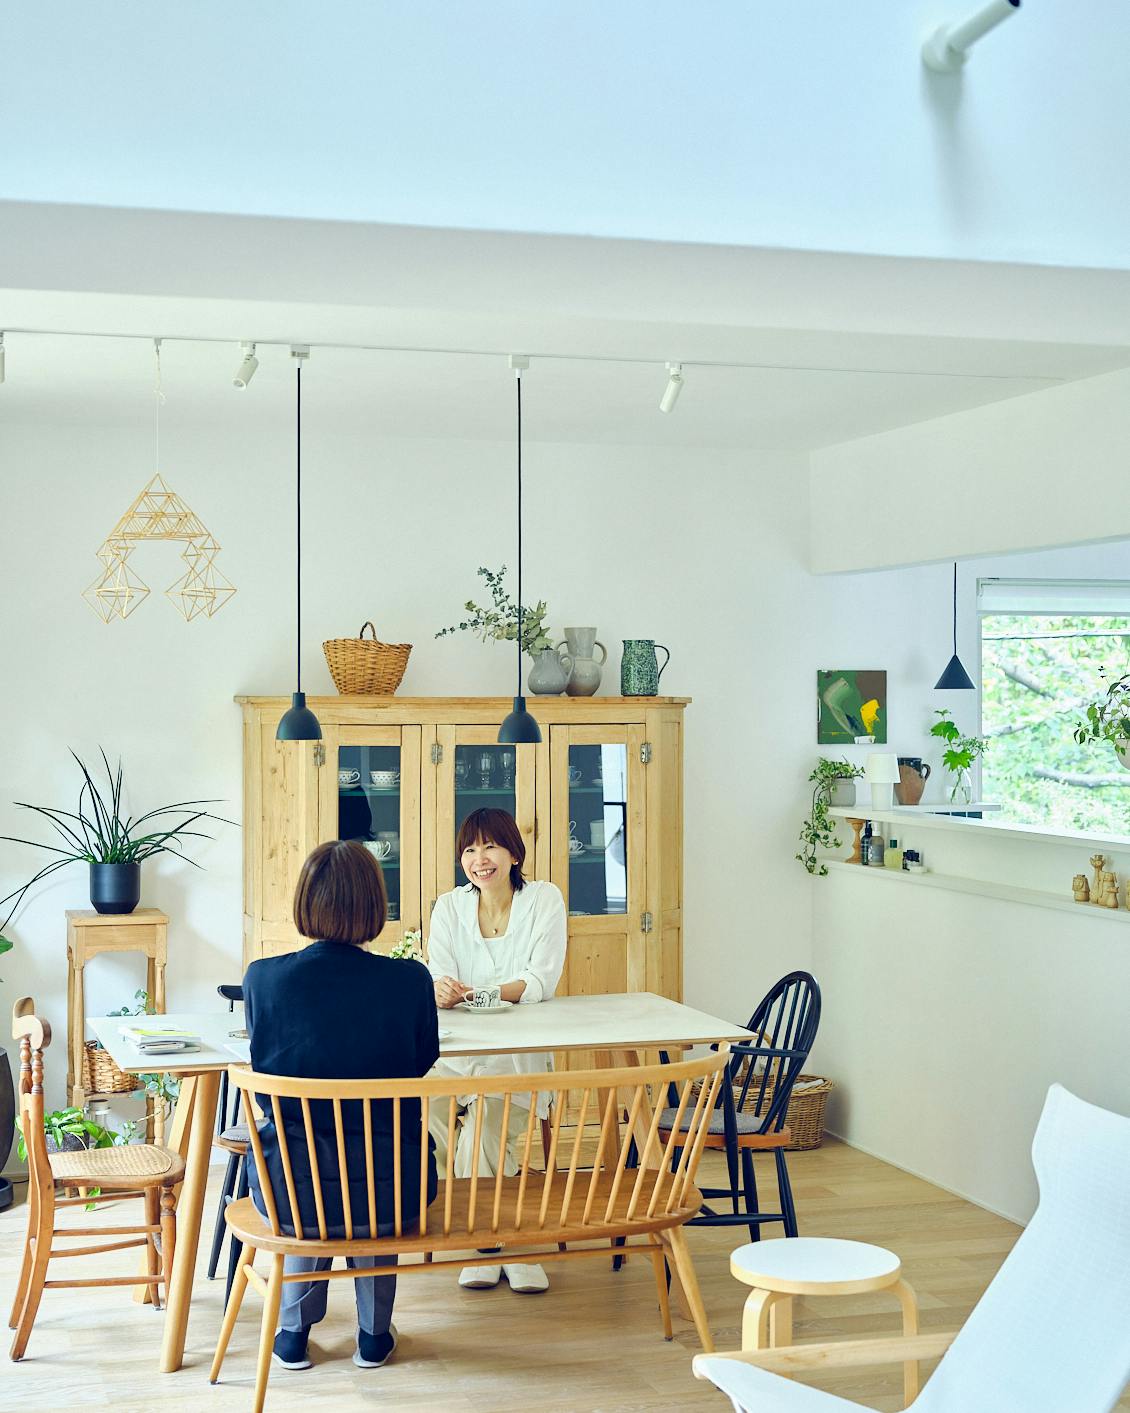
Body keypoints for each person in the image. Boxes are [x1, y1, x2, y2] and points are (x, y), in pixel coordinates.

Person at [242, 839, 439, 1373]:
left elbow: (266, 1087)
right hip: (394, 1185)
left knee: (301, 1162)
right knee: (375, 1168)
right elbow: (421, 1062)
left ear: (306, 901)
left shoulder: (263, 979)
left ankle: (291, 1333)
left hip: (292, 1188)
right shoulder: (410, 981)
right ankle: (374, 1336)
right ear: (375, 905)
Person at [427, 807, 567, 1294]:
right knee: (421, 1117)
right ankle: (489, 1231)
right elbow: (436, 971)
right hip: (452, 1053)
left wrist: (477, 996)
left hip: (516, 1056)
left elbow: (540, 980)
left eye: (489, 846)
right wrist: (442, 988)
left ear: (512, 852)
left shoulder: (544, 899)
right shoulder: (448, 906)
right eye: (469, 849)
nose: (478, 858)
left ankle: (491, 1245)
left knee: (485, 1132)